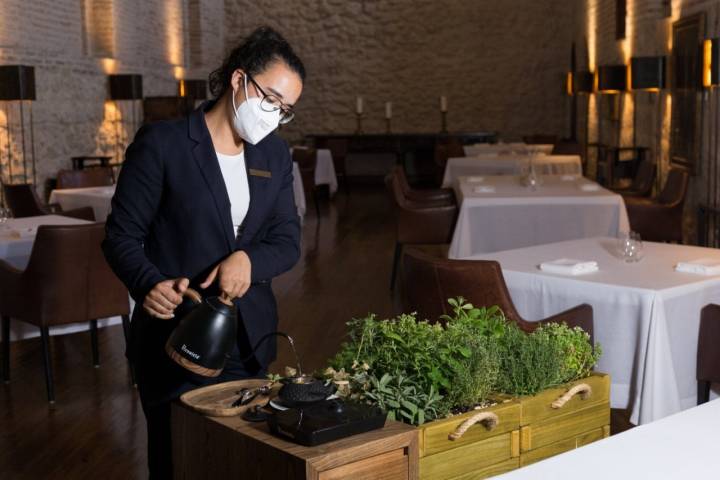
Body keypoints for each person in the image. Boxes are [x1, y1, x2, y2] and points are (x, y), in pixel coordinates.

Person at [102, 26, 305, 479]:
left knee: (238, 462)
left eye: (285, 109)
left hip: (248, 338)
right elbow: (120, 235)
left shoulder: (273, 154)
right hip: (175, 339)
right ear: (238, 80)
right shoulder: (164, 144)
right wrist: (148, 283)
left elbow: (287, 241)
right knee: (179, 462)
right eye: (270, 98)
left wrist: (249, 261)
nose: (273, 115)